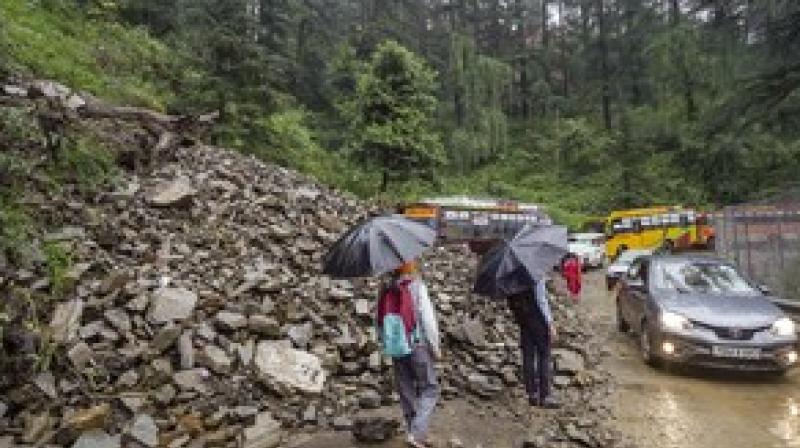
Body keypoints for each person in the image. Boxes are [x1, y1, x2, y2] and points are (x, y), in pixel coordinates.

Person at [377, 261, 441, 448]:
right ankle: (417, 433)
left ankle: (413, 430)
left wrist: (385, 342)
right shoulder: (416, 287)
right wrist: (435, 346)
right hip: (416, 343)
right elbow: (427, 320)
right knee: (430, 388)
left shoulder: (385, 288)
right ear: (409, 266)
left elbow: (379, 320)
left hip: (396, 345)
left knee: (406, 389)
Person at [507, 279, 559, 408]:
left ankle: (532, 394)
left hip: (523, 318)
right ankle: (545, 396)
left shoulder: (514, 274)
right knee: (544, 354)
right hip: (538, 318)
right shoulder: (535, 272)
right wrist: (550, 324)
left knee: (528, 355)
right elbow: (541, 300)